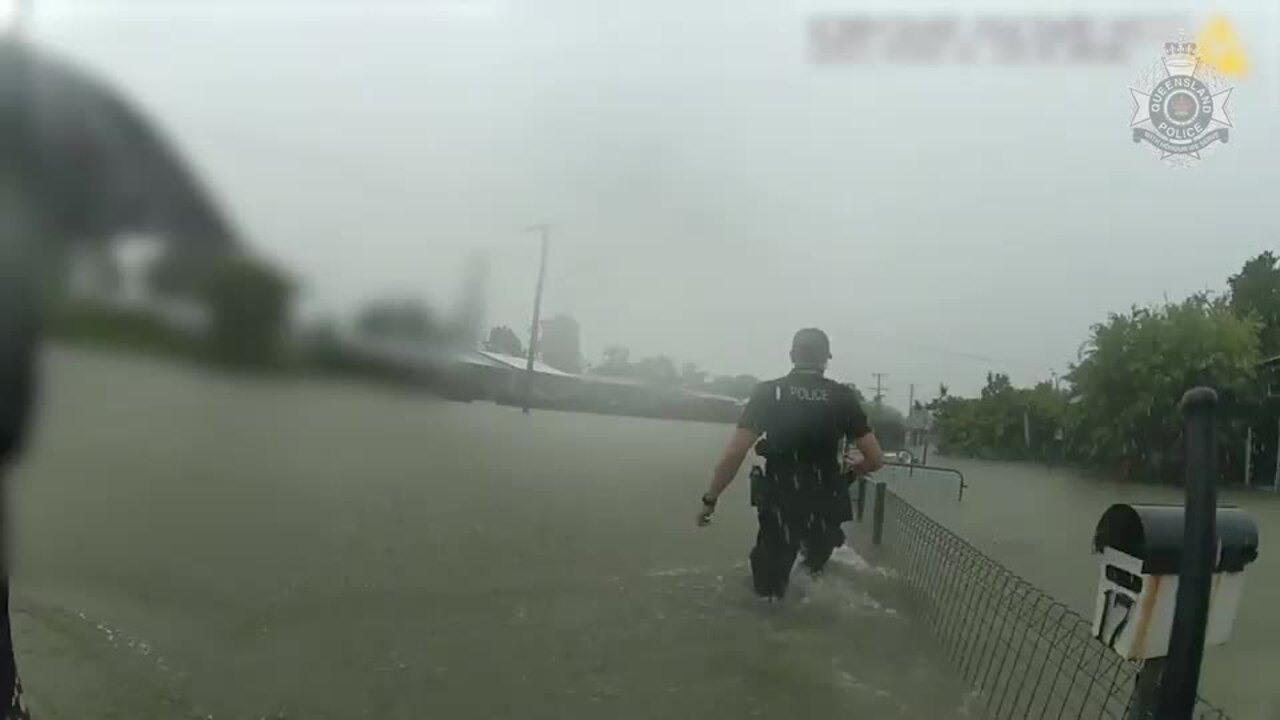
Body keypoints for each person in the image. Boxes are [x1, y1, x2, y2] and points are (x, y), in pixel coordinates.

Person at [696, 328, 884, 601]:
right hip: (824, 501)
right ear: (826, 358)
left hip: (780, 502)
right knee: (813, 575)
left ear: (792, 355)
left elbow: (734, 455)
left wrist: (710, 499)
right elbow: (875, 458)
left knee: (767, 590)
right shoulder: (842, 397)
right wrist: (858, 466)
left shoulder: (769, 393)